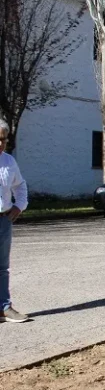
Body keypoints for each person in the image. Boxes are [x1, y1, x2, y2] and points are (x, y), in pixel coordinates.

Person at [0, 118, 29, 323]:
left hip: (3, 220)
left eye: (2, 139)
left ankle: (4, 307)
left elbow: (20, 185)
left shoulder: (9, 161)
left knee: (2, 268)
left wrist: (19, 206)